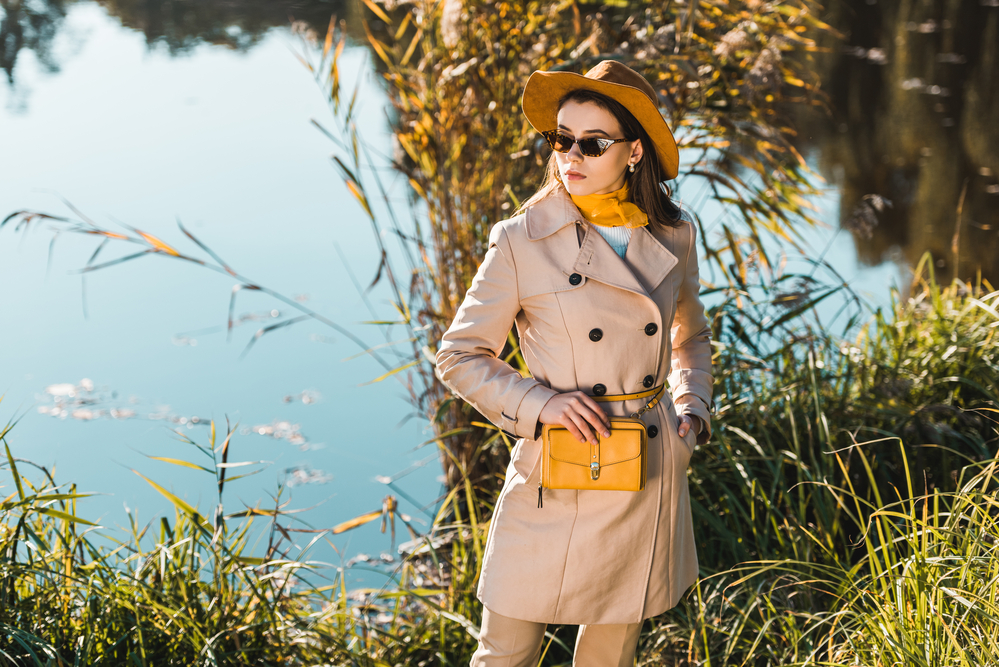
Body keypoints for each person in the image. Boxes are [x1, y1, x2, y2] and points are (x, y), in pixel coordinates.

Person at [434, 60, 714, 667]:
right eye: (562, 139)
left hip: (645, 467)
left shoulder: (674, 234)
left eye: (593, 143)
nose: (571, 156)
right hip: (555, 471)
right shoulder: (521, 239)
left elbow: (690, 335)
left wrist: (692, 409)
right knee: (504, 653)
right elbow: (458, 356)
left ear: (634, 152)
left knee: (610, 655)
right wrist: (542, 404)